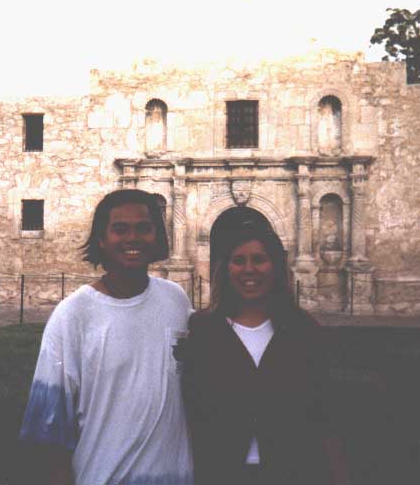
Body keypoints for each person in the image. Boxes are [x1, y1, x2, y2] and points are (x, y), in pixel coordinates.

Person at [19, 189, 193, 485]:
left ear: (158, 236)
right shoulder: (73, 316)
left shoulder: (176, 301)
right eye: (120, 229)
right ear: (102, 239)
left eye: (144, 228)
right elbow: (47, 430)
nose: (133, 238)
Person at [182, 221, 348, 485]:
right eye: (239, 260)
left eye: (259, 259)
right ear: (225, 268)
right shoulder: (203, 331)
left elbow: (325, 414)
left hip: (293, 472)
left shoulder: (303, 330)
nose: (249, 269)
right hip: (220, 472)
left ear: (275, 267)